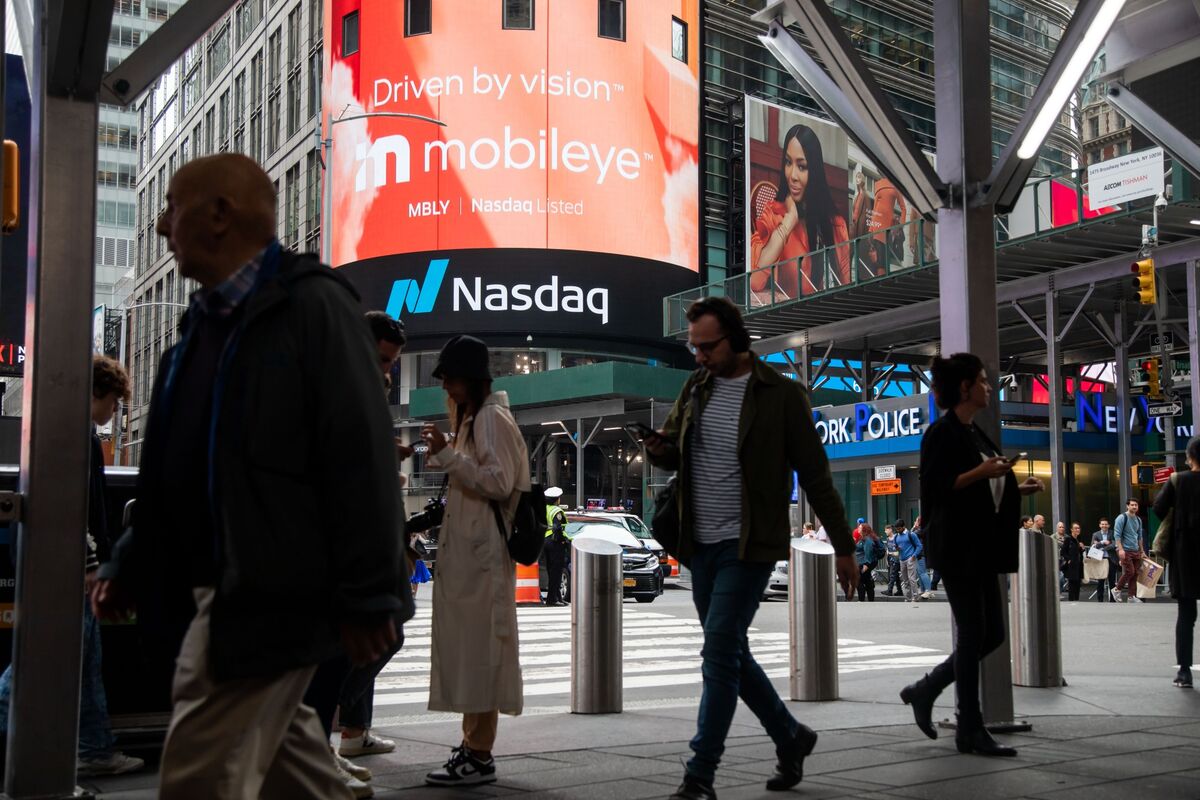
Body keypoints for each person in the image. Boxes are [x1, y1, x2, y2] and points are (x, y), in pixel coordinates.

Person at [92, 154, 406, 799]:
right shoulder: (198, 328)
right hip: (223, 586)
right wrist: (131, 558)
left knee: (198, 774)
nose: (161, 226)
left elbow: (359, 454)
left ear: (218, 215)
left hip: (272, 593)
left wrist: (370, 593)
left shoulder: (313, 308)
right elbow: (174, 469)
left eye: (172, 206)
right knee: (294, 771)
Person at [644, 297, 855, 800]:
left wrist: (844, 548)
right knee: (731, 652)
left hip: (748, 546)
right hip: (699, 546)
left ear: (736, 338)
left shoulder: (781, 395)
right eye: (695, 347)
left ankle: (700, 774)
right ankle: (791, 736)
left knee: (718, 652)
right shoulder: (697, 387)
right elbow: (673, 452)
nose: (699, 356)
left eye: (707, 346)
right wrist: (658, 449)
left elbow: (817, 477)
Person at [0, 356, 144, 777]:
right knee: (39, 663)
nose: (116, 410)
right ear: (96, 392)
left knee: (81, 658)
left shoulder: (60, 432)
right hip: (67, 568)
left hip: (57, 564)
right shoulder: (77, 439)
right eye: (115, 401)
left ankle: (96, 747)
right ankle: (94, 748)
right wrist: (90, 565)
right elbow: (71, 508)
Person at [900, 353, 1044, 757]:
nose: (988, 387)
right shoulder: (941, 433)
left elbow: (981, 486)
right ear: (963, 387)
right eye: (981, 380)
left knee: (992, 633)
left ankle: (926, 689)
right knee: (974, 633)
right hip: (957, 548)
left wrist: (1018, 488)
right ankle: (969, 726)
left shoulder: (974, 433)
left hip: (979, 547)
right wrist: (983, 474)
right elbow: (936, 490)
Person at [420, 335, 530, 787]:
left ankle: (478, 753)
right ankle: (473, 747)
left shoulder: (489, 418)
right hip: (473, 556)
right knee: (471, 651)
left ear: (471, 378)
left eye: (450, 376)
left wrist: (447, 455)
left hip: (482, 558)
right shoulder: (478, 418)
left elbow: (499, 482)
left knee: (481, 651)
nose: (446, 385)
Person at [749, 124, 851, 297]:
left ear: (815, 171)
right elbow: (754, 281)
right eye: (788, 163)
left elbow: (847, 287)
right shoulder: (772, 214)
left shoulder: (836, 224)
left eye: (802, 166)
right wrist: (788, 223)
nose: (792, 175)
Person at [1152, 437, 1200, 688]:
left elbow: (1158, 508)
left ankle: (1184, 672)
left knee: (1186, 614)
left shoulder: (1178, 480)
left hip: (1185, 555)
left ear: (1190, 457)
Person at [1112, 498, 1146, 603]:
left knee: (1135, 573)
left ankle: (1131, 596)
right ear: (1127, 506)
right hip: (1125, 549)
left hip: (1135, 549)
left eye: (1136, 505)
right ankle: (1117, 589)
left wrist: (1142, 551)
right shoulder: (1121, 518)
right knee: (1130, 571)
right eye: (1132, 505)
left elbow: (1139, 536)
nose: (1134, 507)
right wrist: (1120, 549)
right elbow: (1116, 535)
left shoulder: (1138, 520)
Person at [543, 486, 569, 606]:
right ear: (556, 499)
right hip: (555, 543)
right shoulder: (556, 511)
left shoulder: (545, 509)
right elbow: (557, 528)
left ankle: (557, 597)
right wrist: (564, 541)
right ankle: (552, 599)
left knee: (551, 570)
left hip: (546, 541)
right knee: (556, 572)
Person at [894, 519, 923, 604]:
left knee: (912, 579)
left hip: (910, 558)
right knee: (905, 580)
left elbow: (919, 545)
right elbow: (898, 547)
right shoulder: (896, 536)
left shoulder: (911, 534)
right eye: (896, 529)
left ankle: (915, 597)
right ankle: (908, 597)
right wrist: (897, 548)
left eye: (899, 528)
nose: (897, 530)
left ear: (903, 527)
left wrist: (914, 555)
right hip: (902, 559)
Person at [855, 524, 886, 602]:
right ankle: (870, 599)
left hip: (864, 563)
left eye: (860, 527)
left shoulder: (867, 539)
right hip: (866, 562)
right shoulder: (866, 538)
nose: (858, 528)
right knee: (867, 580)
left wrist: (866, 564)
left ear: (864, 530)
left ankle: (861, 599)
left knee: (859, 581)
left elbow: (868, 551)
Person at [1091, 518, 1118, 602]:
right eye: (1102, 524)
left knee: (1112, 581)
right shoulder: (1095, 534)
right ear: (1099, 525)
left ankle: (1113, 600)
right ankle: (1100, 600)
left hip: (1111, 560)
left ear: (1109, 525)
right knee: (1100, 581)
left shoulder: (1113, 533)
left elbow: (1114, 544)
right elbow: (1093, 546)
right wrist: (1102, 542)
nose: (1104, 526)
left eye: (1106, 524)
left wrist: (1104, 548)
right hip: (1100, 560)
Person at [1061, 523, 1085, 601]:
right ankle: (1071, 600)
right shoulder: (1068, 539)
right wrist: (1068, 559)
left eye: (1078, 528)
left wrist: (1082, 548)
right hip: (1072, 565)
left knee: (1078, 583)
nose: (1077, 530)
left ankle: (1077, 600)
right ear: (1071, 529)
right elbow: (1063, 552)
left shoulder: (1079, 539)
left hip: (1079, 564)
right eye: (1075, 528)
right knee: (1072, 583)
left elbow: (1080, 552)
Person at [884, 525, 901, 596]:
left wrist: (891, 553)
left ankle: (889, 590)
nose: (885, 532)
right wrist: (887, 560)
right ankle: (900, 591)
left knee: (892, 575)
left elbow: (898, 552)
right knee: (895, 575)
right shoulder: (888, 539)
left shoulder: (896, 538)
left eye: (886, 530)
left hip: (896, 560)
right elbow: (887, 550)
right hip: (890, 560)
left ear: (890, 529)